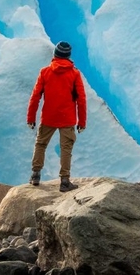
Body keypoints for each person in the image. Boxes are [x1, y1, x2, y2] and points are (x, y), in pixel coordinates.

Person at [27, 41, 87, 191]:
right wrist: (82, 122)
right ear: (68, 56)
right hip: (67, 118)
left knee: (41, 144)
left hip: (48, 117)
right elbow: (81, 99)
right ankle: (65, 182)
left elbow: (35, 96)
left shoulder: (45, 72)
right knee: (66, 148)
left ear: (55, 54)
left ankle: (35, 175)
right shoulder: (74, 74)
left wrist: (31, 118)